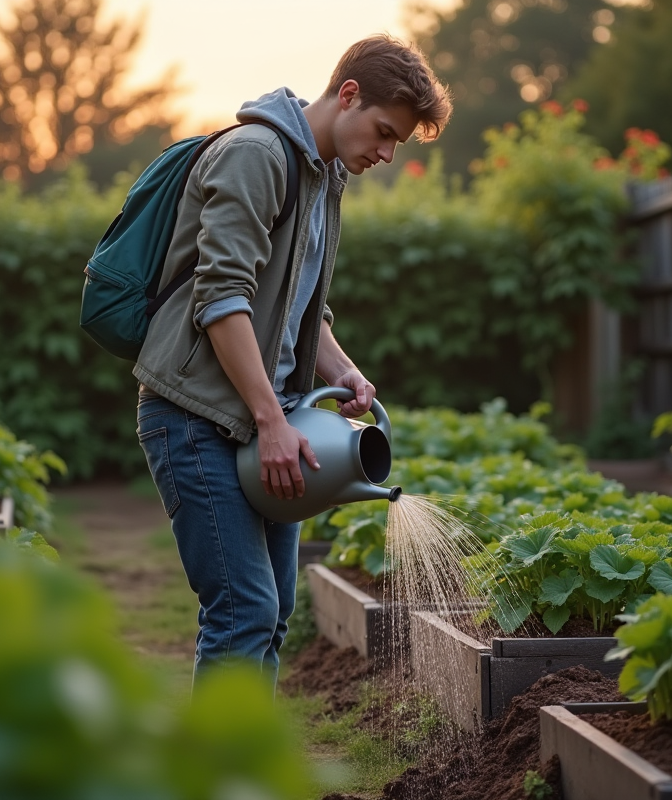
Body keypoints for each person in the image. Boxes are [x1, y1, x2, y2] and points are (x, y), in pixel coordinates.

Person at [132, 34, 451, 688]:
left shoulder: (322, 174)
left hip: (260, 423)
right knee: (242, 612)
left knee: (271, 616)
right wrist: (272, 420)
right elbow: (221, 297)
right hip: (198, 418)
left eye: (398, 144)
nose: (388, 155)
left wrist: (342, 372)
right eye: (385, 133)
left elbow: (300, 308)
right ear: (348, 94)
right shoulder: (257, 155)